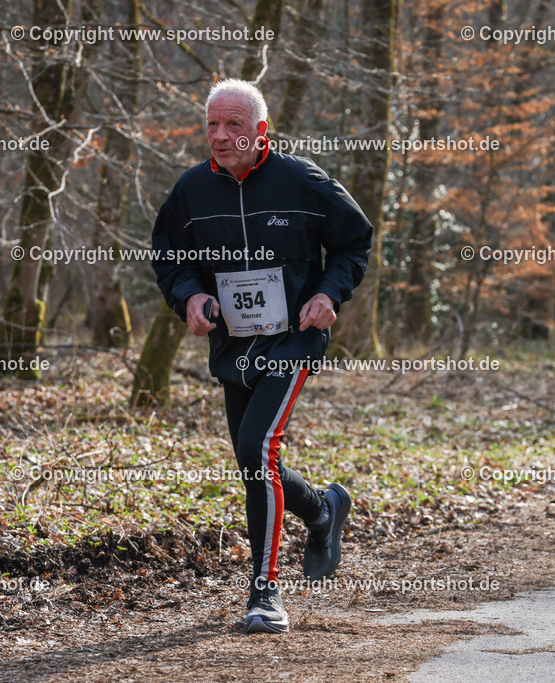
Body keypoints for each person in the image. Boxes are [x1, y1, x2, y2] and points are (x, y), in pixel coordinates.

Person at [151, 79, 373, 633]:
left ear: (261, 132)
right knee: (255, 463)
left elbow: (354, 240)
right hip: (234, 344)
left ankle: (265, 593)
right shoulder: (191, 191)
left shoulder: (302, 181)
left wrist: (329, 294)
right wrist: (190, 296)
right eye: (212, 126)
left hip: (292, 338)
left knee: (256, 446)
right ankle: (321, 509)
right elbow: (169, 256)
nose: (220, 137)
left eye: (233, 126)